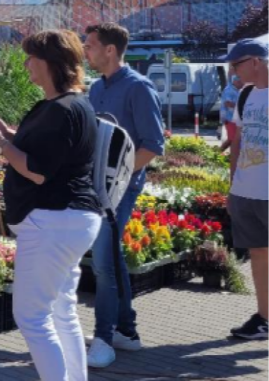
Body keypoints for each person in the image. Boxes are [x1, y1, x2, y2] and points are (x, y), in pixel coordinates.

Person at [0, 30, 102, 381]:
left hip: (53, 220)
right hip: (67, 219)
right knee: (62, 310)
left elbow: (37, 171)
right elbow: (47, 152)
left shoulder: (62, 109)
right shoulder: (66, 105)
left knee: (32, 317)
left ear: (48, 63)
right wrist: (10, 135)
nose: (26, 64)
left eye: (31, 58)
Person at [83, 23, 165, 368]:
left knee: (102, 262)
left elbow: (153, 146)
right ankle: (126, 332)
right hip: (96, 188)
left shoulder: (138, 87)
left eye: (89, 45)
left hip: (119, 191)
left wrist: (116, 181)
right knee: (109, 260)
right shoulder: (95, 88)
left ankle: (103, 339)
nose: (85, 51)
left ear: (110, 50)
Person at [225, 38, 269, 340]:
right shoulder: (246, 95)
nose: (234, 72)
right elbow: (238, 141)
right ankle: (265, 318)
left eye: (236, 65)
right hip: (247, 192)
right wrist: (232, 185)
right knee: (258, 254)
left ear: (256, 61)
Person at [220, 73, 243, 152]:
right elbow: (227, 103)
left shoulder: (238, 90)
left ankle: (219, 153)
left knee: (234, 139)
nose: (243, 84)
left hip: (235, 119)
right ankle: (217, 153)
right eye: (241, 82)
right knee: (232, 139)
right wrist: (240, 107)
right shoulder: (229, 90)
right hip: (229, 118)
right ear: (237, 81)